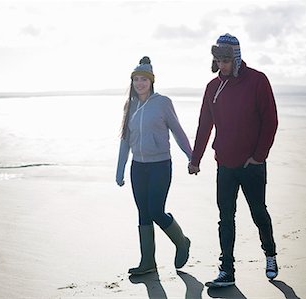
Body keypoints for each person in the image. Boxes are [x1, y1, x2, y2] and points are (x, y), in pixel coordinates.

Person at [188, 33, 279, 287]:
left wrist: (259, 156)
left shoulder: (257, 81)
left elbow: (270, 120)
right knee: (225, 218)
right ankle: (226, 270)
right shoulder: (212, 88)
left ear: (236, 58)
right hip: (225, 164)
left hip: (252, 165)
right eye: (218, 60)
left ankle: (270, 254)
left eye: (226, 60)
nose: (222, 65)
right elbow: (205, 124)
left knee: (258, 212)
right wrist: (196, 158)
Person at [116, 56, 192, 275]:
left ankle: (182, 242)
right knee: (143, 213)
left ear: (151, 81)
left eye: (144, 79)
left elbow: (177, 132)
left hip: (160, 165)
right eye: (136, 79)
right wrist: (120, 170)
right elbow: (125, 140)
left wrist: (191, 157)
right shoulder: (129, 106)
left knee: (156, 211)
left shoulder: (163, 103)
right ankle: (148, 262)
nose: (140, 83)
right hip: (138, 167)